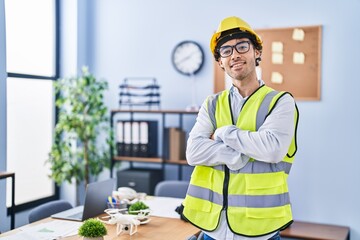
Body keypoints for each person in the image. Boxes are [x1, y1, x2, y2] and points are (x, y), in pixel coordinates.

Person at [182, 16, 299, 240]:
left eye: (242, 46)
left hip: (260, 231)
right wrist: (238, 155)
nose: (234, 54)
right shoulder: (212, 104)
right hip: (212, 229)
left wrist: (222, 133)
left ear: (256, 52)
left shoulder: (280, 102)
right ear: (220, 62)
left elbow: (272, 149)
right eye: (225, 50)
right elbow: (193, 152)